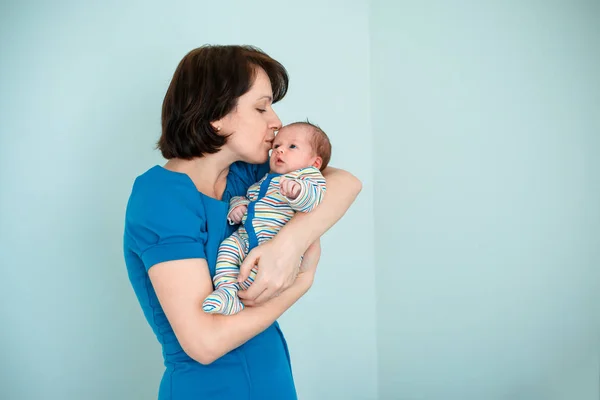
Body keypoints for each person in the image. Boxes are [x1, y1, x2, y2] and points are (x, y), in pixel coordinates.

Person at [123, 44, 361, 400]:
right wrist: (300, 283)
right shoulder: (160, 196)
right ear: (216, 115)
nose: (276, 121)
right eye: (261, 106)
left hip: (273, 382)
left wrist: (289, 244)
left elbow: (343, 181)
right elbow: (204, 343)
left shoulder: (244, 177)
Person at [202, 122, 331, 315]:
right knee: (228, 249)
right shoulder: (265, 179)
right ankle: (227, 292)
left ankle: (239, 296)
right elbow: (251, 198)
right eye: (276, 146)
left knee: (254, 275)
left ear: (315, 163)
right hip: (245, 238)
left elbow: (313, 201)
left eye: (292, 146)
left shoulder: (307, 177)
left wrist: (297, 193)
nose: (280, 151)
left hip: (272, 240)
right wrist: (238, 206)